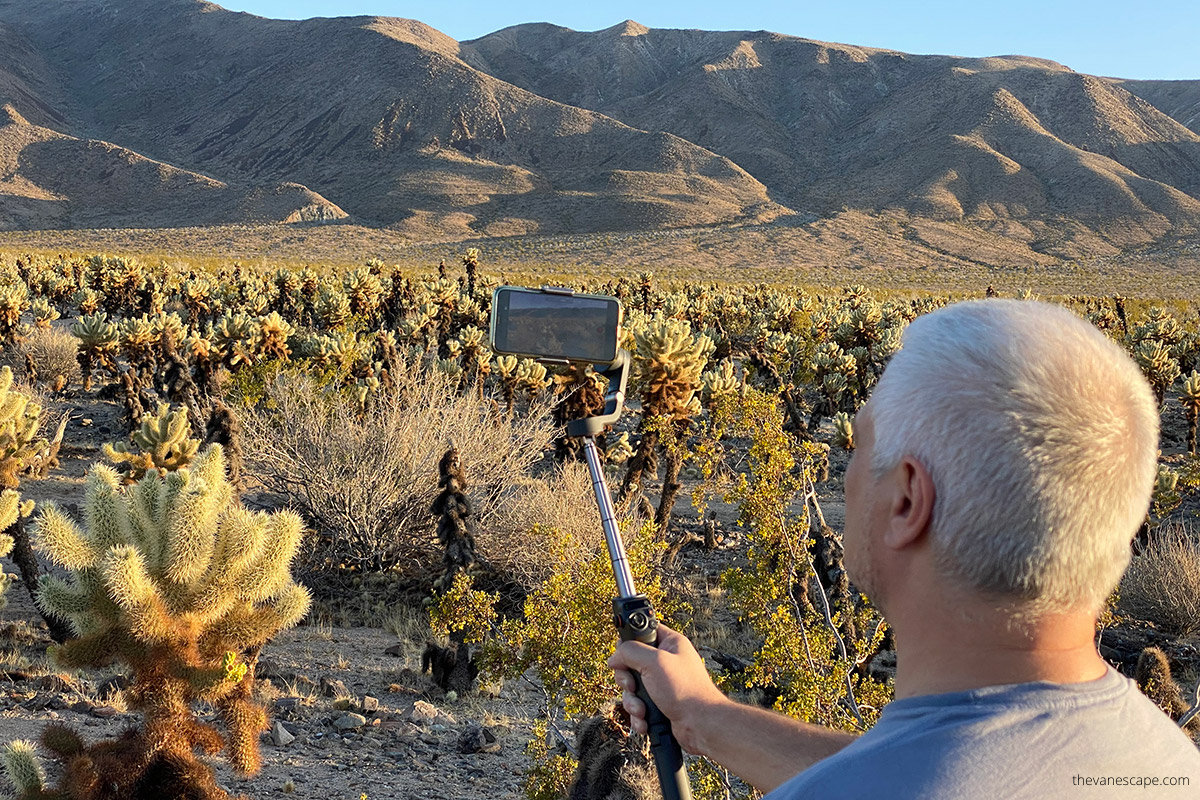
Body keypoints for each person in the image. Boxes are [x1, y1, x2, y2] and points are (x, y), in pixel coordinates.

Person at [609, 299, 1200, 798]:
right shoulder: (1166, 764)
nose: (847, 472)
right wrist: (703, 717)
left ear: (908, 501)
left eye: (859, 446)